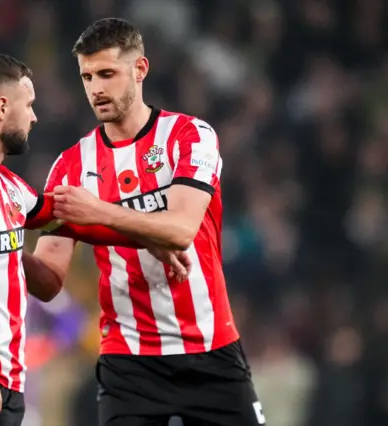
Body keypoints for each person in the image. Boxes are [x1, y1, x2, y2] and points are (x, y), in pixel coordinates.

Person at [0, 53, 189, 426]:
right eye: (29, 105)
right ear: (1, 107)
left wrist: (144, 236)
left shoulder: (8, 187)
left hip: (3, 382)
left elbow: (72, 216)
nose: (34, 117)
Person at [29, 19, 266, 426]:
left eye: (107, 74)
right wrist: (2, 245)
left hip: (209, 349)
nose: (96, 89)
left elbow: (180, 230)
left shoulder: (190, 136)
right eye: (87, 77)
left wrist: (98, 211)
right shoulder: (71, 166)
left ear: (140, 70)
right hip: (128, 363)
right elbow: (49, 280)